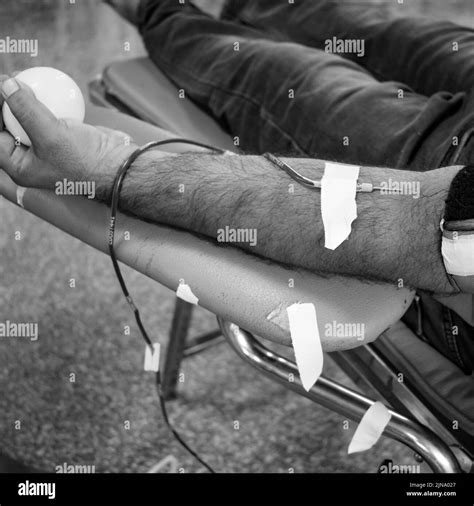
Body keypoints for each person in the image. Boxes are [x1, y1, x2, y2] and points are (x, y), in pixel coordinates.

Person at [0, 0, 473, 369]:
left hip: (440, 176)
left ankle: (159, 11)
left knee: (285, 76)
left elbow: (394, 222)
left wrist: (108, 168)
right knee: (365, 28)